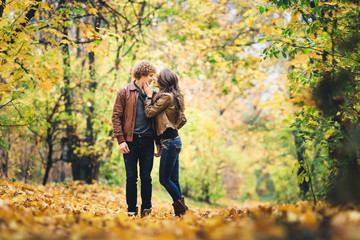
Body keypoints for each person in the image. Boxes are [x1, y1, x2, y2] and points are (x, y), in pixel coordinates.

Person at [111, 60, 160, 217]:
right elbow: (116, 117)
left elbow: (158, 121)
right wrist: (120, 140)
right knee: (131, 178)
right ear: (142, 74)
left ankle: (147, 209)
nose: (153, 79)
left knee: (146, 177)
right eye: (151, 76)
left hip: (147, 142)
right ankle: (131, 210)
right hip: (129, 142)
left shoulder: (154, 94)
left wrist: (158, 142)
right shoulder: (124, 92)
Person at [143, 69, 188, 216]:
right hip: (173, 141)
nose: (155, 78)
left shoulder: (167, 97)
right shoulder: (172, 96)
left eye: (158, 77)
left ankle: (183, 210)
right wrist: (168, 132)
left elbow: (149, 112)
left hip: (170, 142)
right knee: (174, 179)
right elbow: (183, 120)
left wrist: (149, 96)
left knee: (164, 179)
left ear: (164, 81)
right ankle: (180, 214)